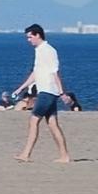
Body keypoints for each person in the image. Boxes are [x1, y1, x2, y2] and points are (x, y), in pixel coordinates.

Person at [12, 24, 71, 163]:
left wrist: (62, 93)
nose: (28, 40)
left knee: (34, 121)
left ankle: (26, 154)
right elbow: (35, 73)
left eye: (30, 37)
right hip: (45, 91)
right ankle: (65, 156)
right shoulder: (39, 51)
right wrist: (21, 88)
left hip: (48, 92)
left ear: (38, 35)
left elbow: (55, 73)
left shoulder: (48, 51)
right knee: (52, 124)